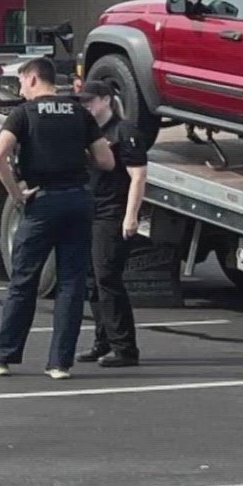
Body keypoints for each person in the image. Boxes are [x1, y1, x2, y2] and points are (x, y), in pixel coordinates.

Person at [0, 58, 116, 380]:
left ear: (32, 78)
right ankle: (59, 363)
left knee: (23, 282)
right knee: (71, 284)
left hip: (42, 202)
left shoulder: (23, 114)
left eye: (21, 82)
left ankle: (2, 357)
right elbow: (106, 161)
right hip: (79, 201)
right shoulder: (80, 113)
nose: (20, 89)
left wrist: (15, 193)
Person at [77, 79, 148, 367]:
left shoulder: (123, 130)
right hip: (89, 210)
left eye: (90, 101)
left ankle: (125, 348)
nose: (86, 106)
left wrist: (131, 215)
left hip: (112, 212)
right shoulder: (89, 132)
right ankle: (102, 341)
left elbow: (139, 175)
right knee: (92, 281)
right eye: (82, 102)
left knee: (108, 277)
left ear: (106, 100)